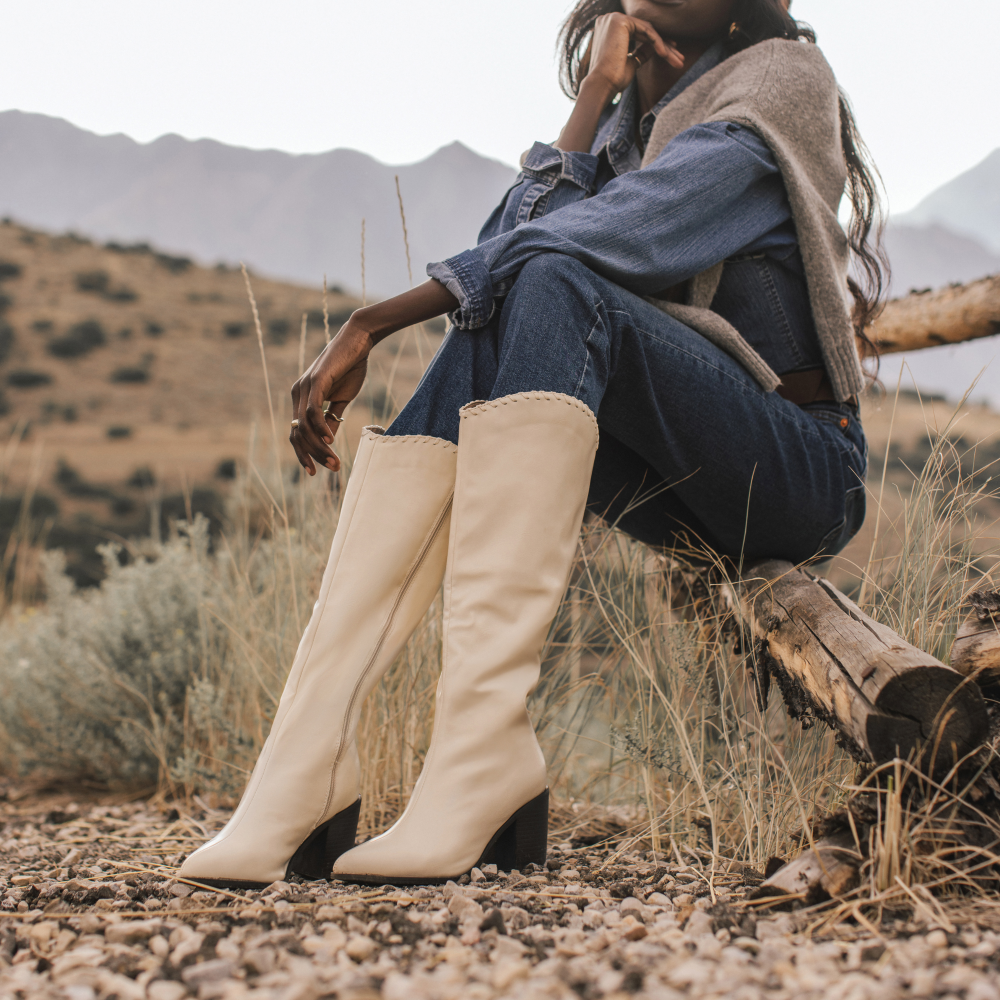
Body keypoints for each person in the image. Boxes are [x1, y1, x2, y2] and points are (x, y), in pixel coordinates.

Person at [179, 0, 884, 888]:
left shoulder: (781, 80)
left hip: (797, 471)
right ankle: (307, 760)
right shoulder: (637, 111)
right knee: (508, 299)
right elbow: (500, 258)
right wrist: (595, 97)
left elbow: (611, 234)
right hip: (676, 465)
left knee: (549, 279)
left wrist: (377, 319)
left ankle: (476, 756)